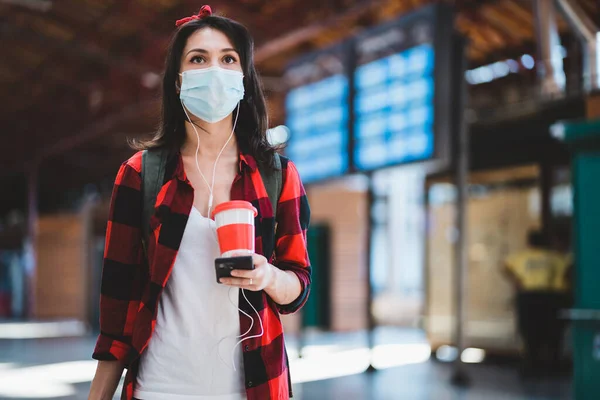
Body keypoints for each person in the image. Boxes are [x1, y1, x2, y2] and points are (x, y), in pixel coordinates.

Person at [88, 5, 311, 400]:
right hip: (159, 388)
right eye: (198, 59)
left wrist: (268, 277)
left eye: (228, 58)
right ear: (177, 81)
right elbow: (117, 311)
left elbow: (298, 285)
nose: (214, 70)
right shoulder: (141, 175)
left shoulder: (277, 175)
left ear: (243, 78)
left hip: (254, 387)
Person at [504, 230, 571, 378]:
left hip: (529, 297)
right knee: (553, 334)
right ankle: (552, 367)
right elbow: (567, 271)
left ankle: (531, 367)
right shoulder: (555, 257)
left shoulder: (521, 257)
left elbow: (505, 265)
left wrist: (517, 281)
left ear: (529, 243)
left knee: (529, 334)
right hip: (551, 297)